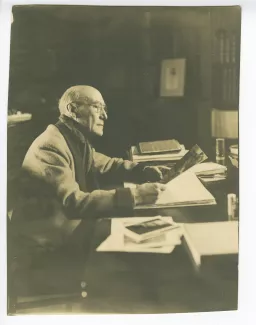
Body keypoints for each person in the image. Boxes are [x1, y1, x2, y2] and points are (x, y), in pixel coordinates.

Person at [9, 85, 169, 295]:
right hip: (49, 240)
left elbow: (107, 164)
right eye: (97, 107)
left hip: (68, 226)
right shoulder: (50, 146)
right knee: (143, 252)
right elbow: (74, 202)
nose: (104, 115)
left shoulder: (73, 139)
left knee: (141, 235)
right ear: (73, 109)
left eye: (104, 108)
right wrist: (135, 195)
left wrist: (144, 171)